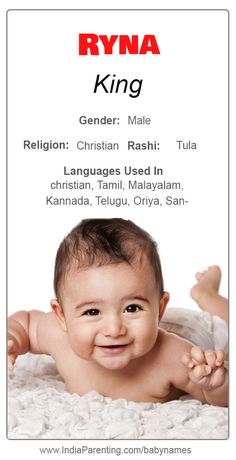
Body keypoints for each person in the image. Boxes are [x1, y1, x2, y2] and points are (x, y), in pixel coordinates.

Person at [8, 218, 228, 406]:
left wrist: (215, 384)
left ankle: (205, 291)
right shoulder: (57, 335)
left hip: (191, 328)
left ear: (160, 309)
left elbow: (217, 399)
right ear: (62, 316)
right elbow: (26, 323)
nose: (113, 329)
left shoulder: (177, 357)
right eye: (92, 312)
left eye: (132, 308)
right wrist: (12, 338)